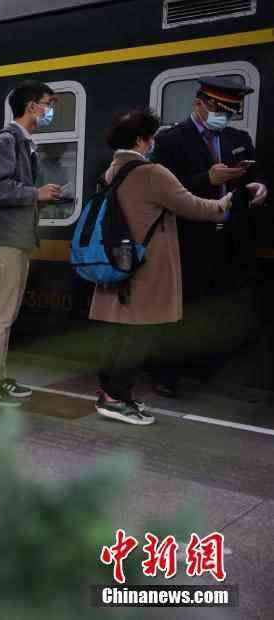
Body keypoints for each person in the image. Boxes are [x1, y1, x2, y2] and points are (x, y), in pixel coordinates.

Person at [91, 108, 234, 425]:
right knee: (140, 334)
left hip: (117, 263)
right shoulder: (152, 173)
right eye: (151, 137)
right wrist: (224, 204)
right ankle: (116, 398)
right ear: (141, 140)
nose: (153, 143)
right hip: (146, 267)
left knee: (118, 332)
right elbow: (191, 205)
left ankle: (112, 393)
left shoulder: (111, 171)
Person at [150, 77, 268, 397]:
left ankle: (203, 370)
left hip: (230, 237)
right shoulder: (171, 140)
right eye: (220, 110)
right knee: (180, 307)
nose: (224, 117)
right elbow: (162, 189)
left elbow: (254, 174)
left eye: (230, 112)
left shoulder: (238, 138)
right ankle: (167, 375)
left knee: (217, 306)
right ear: (198, 104)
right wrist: (207, 179)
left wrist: (258, 186)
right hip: (188, 236)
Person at [0, 80, 62, 407]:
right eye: (48, 103)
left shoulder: (22, 143)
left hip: (17, 238)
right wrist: (35, 193)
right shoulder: (7, 141)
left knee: (6, 314)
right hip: (6, 239)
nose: (50, 110)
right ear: (32, 106)